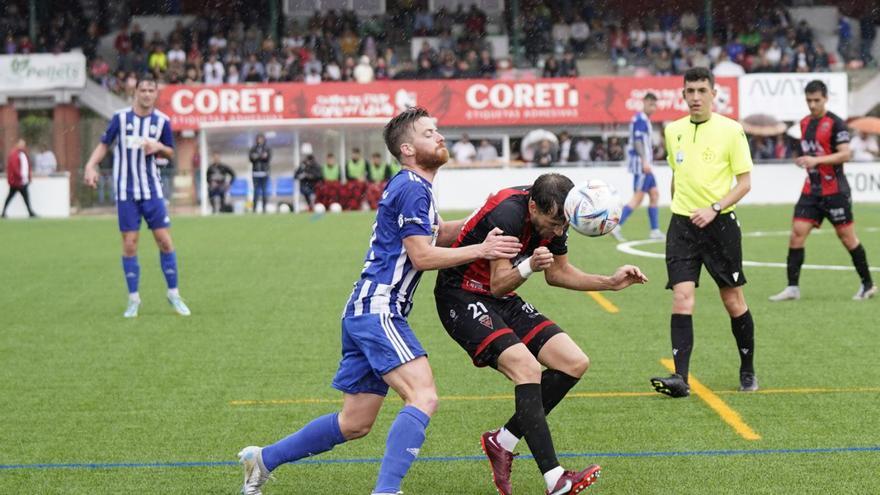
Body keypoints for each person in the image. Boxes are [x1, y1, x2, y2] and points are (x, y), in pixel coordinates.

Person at [237, 107, 523, 495]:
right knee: (423, 396)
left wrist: (486, 215)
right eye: (428, 132)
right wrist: (482, 249)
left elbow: (439, 234)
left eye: (437, 129)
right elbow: (423, 255)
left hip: (364, 311)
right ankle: (386, 491)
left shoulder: (414, 187)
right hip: (379, 310)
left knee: (354, 422)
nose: (439, 136)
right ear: (407, 148)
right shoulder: (410, 186)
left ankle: (264, 459)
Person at [434, 173, 647, 495]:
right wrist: (529, 265)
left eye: (564, 225)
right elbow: (499, 282)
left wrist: (610, 282)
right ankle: (555, 479)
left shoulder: (560, 214)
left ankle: (501, 441)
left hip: (501, 297)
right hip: (462, 295)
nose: (559, 231)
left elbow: (558, 273)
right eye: (553, 223)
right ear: (533, 206)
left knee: (573, 362)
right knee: (527, 368)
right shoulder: (507, 214)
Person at [650, 67, 756, 398]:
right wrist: (678, 207)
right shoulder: (673, 130)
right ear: (683, 94)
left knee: (732, 300)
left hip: (720, 225)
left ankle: (747, 369)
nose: (695, 97)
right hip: (682, 226)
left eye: (701, 90)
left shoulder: (731, 130)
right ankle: (680, 378)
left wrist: (714, 207)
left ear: (713, 93)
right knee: (682, 297)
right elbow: (675, 173)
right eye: (690, 91)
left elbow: (745, 183)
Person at [83, 74, 191, 318]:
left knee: (164, 241)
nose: (147, 94)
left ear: (156, 94)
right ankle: (134, 299)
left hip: (151, 190)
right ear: (135, 92)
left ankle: (173, 293)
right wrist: (91, 165)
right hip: (126, 192)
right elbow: (104, 144)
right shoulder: (120, 119)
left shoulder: (162, 121)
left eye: (151, 91)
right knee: (130, 244)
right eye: (143, 90)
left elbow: (172, 151)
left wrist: (159, 147)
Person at [769, 80, 876, 302]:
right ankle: (792, 288)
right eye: (809, 100)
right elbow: (808, 151)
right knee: (796, 234)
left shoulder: (836, 123)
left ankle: (867, 284)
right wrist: (803, 160)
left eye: (816, 100)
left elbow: (845, 154)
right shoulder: (804, 123)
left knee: (847, 238)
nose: (812, 104)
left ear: (825, 98)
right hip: (811, 190)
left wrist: (816, 160)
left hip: (835, 191)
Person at [613, 92, 664, 242]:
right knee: (638, 198)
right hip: (641, 165)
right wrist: (644, 161)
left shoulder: (644, 120)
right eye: (651, 104)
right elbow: (637, 142)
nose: (653, 107)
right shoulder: (640, 119)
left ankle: (655, 230)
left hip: (645, 164)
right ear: (644, 103)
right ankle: (615, 225)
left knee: (654, 194)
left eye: (655, 105)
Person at [2, 138, 37, 218]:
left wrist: (28, 177)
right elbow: (15, 168)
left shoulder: (23, 154)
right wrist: (21, 176)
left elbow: (26, 167)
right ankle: (30, 212)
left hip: (22, 181)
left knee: (22, 197)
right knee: (14, 197)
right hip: (17, 181)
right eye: (21, 144)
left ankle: (30, 212)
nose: (22, 146)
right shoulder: (15, 154)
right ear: (17, 144)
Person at [249, 133, 271, 213]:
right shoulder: (253, 148)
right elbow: (251, 158)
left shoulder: (267, 148)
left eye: (261, 139)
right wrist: (261, 156)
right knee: (256, 192)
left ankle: (264, 208)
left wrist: (257, 156)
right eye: (259, 139)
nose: (260, 140)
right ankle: (254, 209)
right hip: (255, 173)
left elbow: (267, 158)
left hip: (264, 173)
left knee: (264, 191)